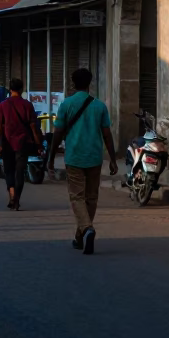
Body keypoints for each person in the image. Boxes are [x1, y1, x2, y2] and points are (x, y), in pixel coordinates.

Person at [44, 68, 117, 254]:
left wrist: (51, 158)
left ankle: (86, 229)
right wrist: (113, 159)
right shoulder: (99, 106)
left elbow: (58, 133)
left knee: (77, 197)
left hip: (74, 157)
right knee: (91, 198)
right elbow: (107, 135)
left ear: (72, 83)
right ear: (90, 83)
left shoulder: (66, 104)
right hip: (94, 157)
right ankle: (80, 235)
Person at [0, 78, 42, 210]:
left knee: (9, 170)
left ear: (10, 89)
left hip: (7, 143)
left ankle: (12, 195)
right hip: (23, 143)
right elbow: (33, 127)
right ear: (21, 89)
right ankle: (17, 199)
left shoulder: (2, 105)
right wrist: (38, 144)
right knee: (19, 172)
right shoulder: (27, 105)